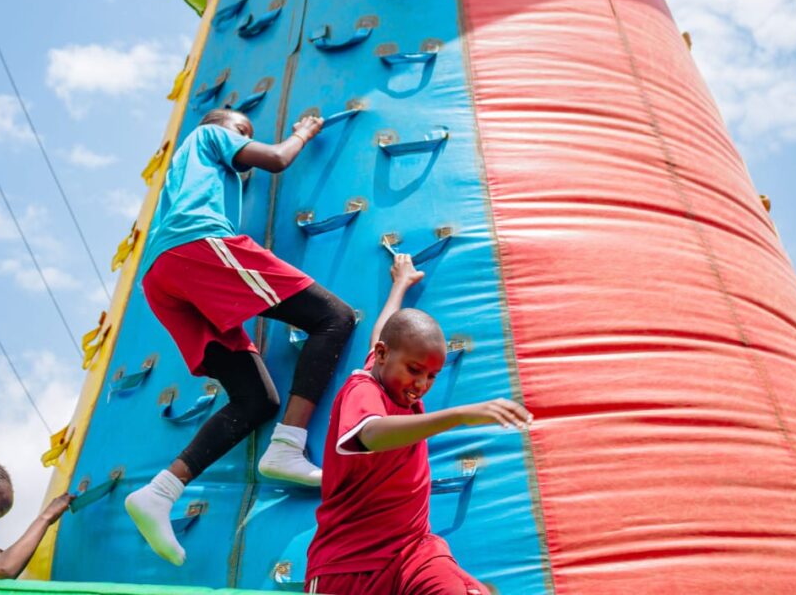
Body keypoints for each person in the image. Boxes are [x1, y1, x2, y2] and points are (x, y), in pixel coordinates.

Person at [126, 108, 356, 566]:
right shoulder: (211, 135)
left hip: (160, 277)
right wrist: (302, 133)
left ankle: (160, 491)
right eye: (242, 132)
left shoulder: (191, 175)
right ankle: (288, 445)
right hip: (199, 246)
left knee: (255, 400)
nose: (244, 142)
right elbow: (275, 159)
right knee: (335, 317)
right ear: (219, 128)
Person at [305, 255, 533, 595]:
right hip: (351, 564)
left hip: (414, 549)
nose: (421, 384)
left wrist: (400, 284)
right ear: (383, 357)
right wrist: (458, 416)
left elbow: (383, 332)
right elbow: (369, 434)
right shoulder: (362, 389)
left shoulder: (392, 373)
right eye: (414, 370)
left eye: (432, 376)